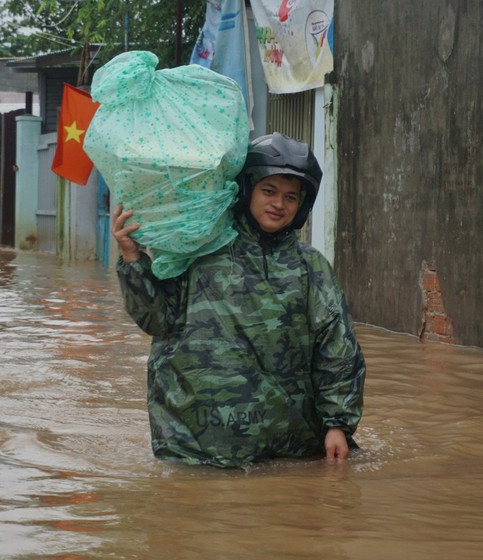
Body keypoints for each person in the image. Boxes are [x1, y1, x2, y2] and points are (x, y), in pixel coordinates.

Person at [113, 132, 366, 468]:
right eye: (269, 191)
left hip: (288, 448)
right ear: (246, 189)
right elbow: (156, 320)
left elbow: (337, 347)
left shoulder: (310, 267)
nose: (279, 204)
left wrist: (337, 423)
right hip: (195, 446)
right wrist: (133, 261)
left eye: (291, 197)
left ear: (302, 205)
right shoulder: (199, 250)